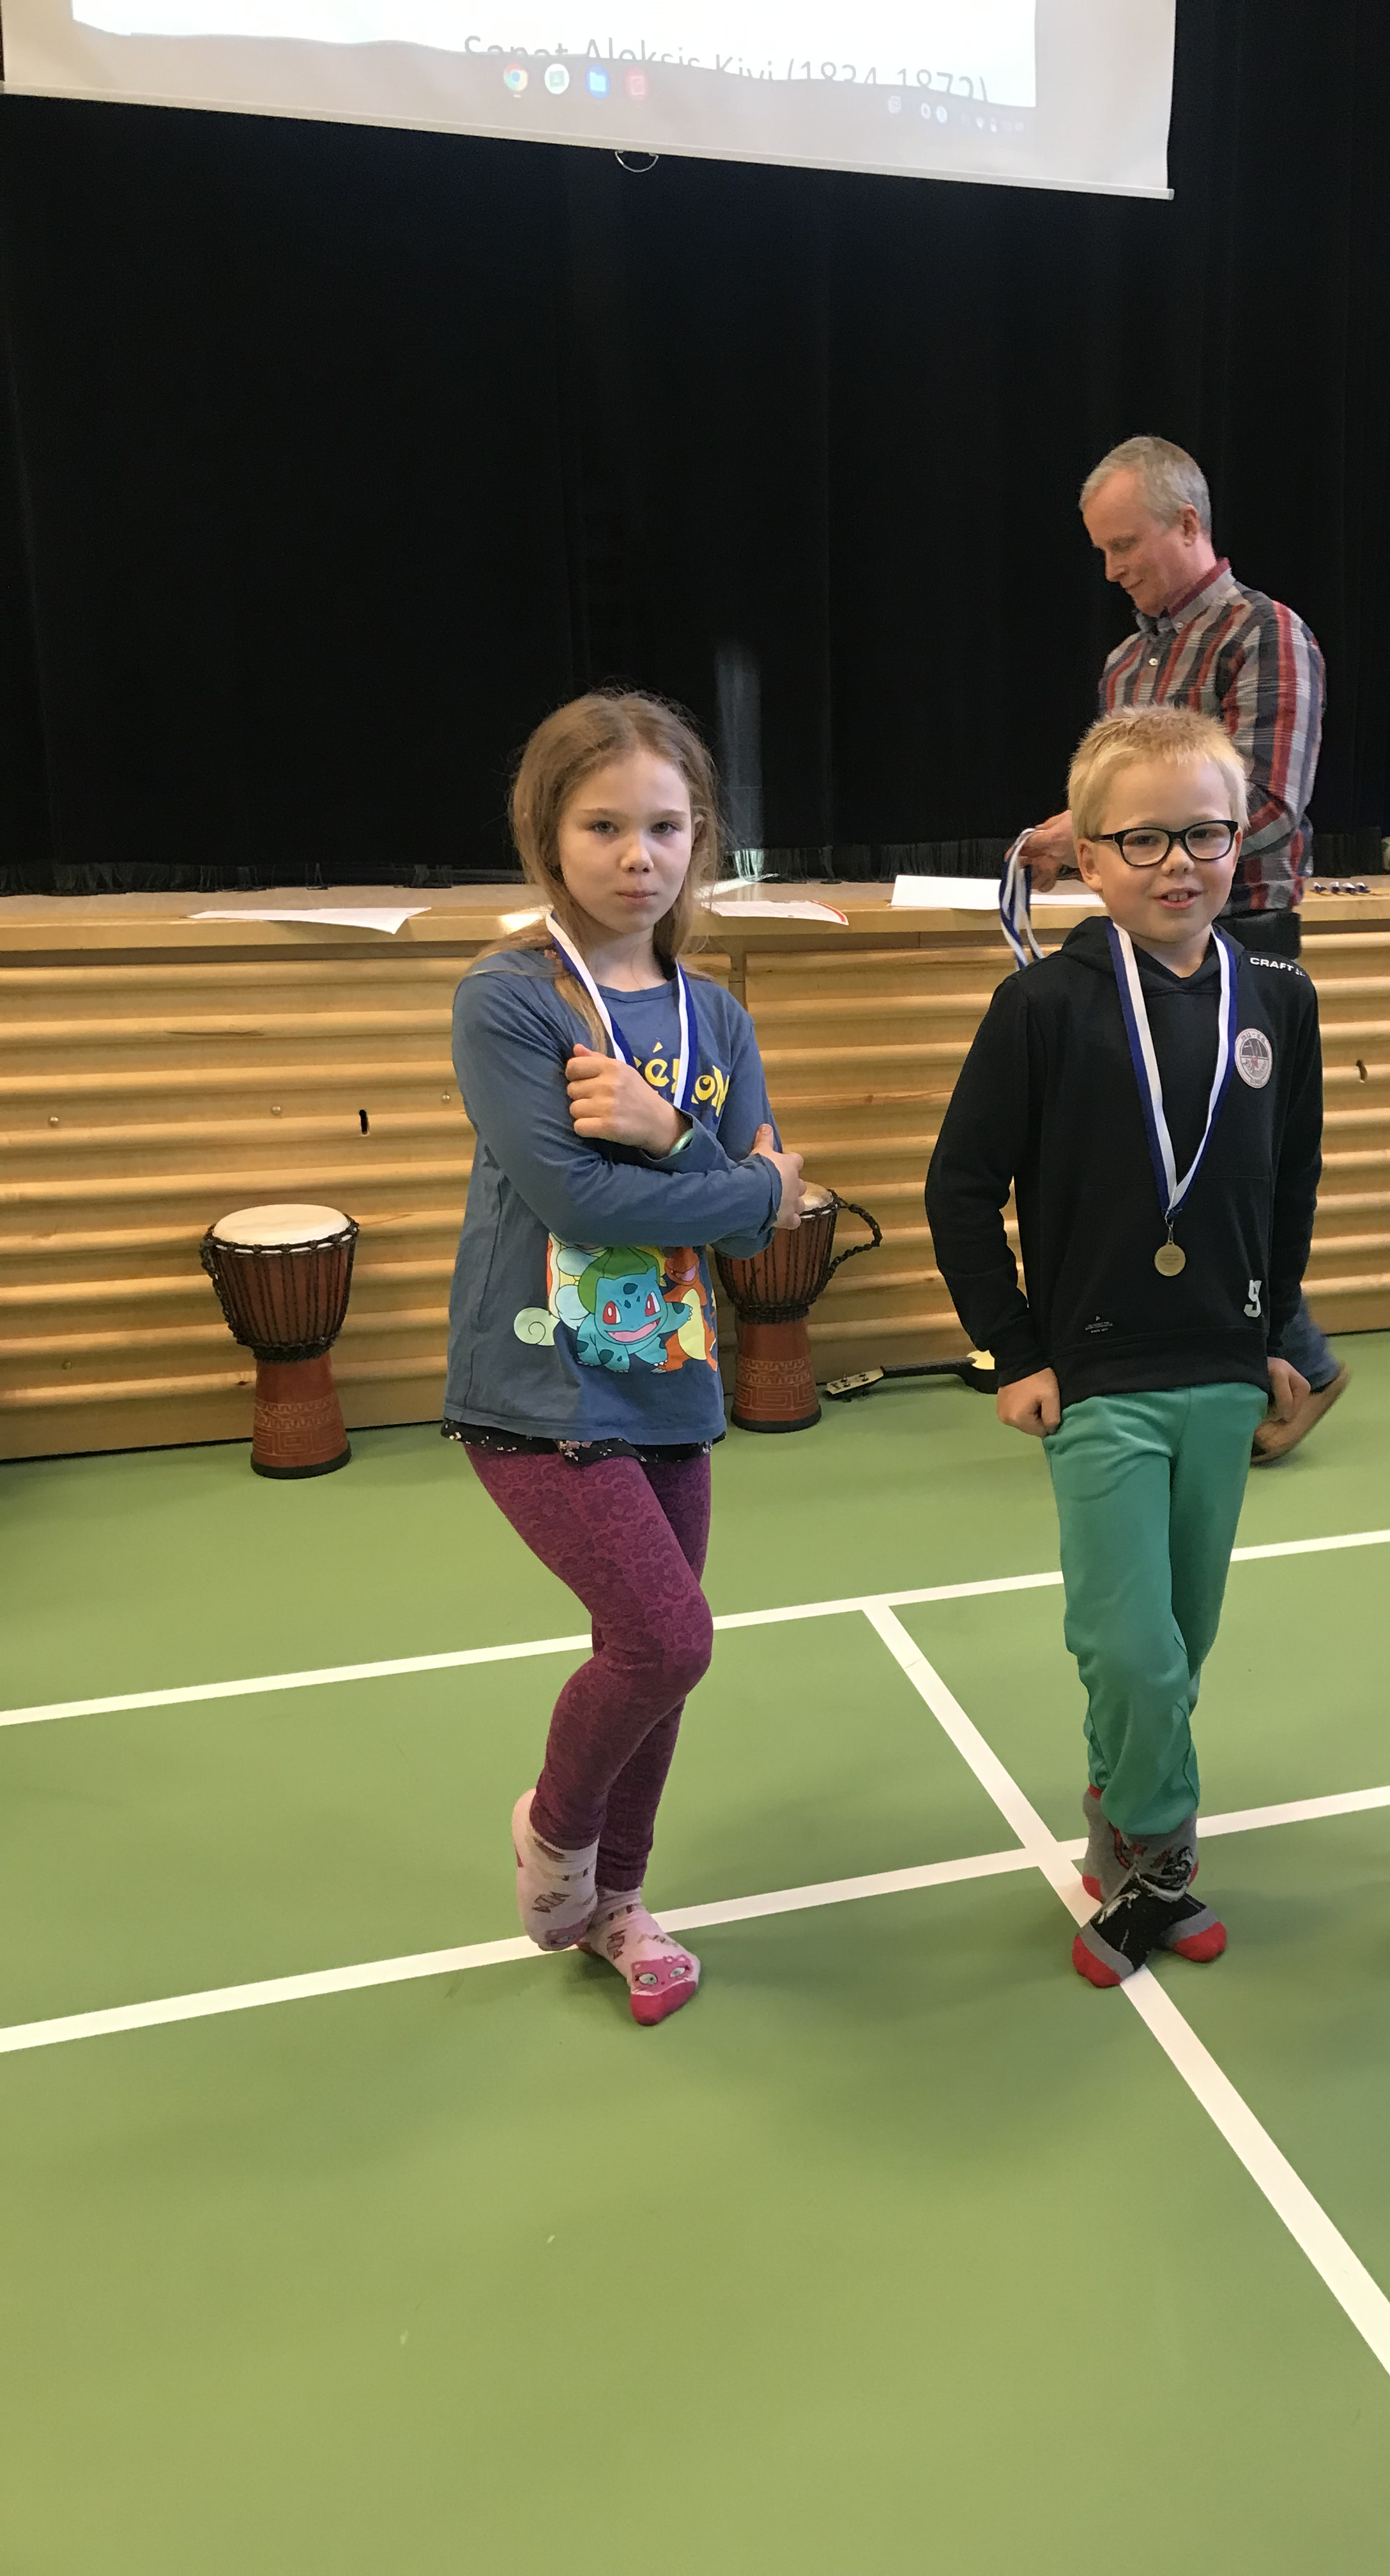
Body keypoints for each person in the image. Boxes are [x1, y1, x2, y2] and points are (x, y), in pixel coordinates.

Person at [927, 705, 1324, 1986]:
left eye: (1205, 834)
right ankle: (1161, 1865)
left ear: (1240, 841)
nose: (1178, 863)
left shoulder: (1279, 1000)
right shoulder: (1042, 1006)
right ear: (1086, 856)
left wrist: (1278, 1335)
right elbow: (959, 1188)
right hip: (1095, 1380)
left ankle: (1116, 1819)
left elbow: (1290, 1186)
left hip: (1222, 1373)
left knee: (1181, 1643)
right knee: (1130, 1649)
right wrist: (1014, 1350)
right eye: (1142, 838)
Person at [442, 690, 804, 2025]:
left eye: (665, 825)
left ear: (701, 835)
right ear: (548, 833)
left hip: (671, 1381)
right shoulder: (509, 1001)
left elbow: (755, 1215)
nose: (637, 856)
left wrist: (668, 1136)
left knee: (658, 1657)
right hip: (536, 1384)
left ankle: (621, 1904)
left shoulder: (716, 1014)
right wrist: (740, 1186)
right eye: (603, 826)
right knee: (665, 1639)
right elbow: (578, 1200)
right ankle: (556, 1831)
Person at [1022, 434, 1345, 1461]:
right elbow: (1124, 809)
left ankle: (1302, 1363)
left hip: (1241, 938)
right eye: (1102, 551)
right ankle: (1188, 1367)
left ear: (1188, 523)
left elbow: (1269, 804)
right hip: (1145, 948)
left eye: (1125, 545)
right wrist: (1081, 844)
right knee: (1154, 1163)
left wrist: (1129, 848)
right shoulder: (1126, 663)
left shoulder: (1266, 635)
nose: (1111, 570)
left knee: (1233, 1165)